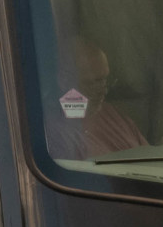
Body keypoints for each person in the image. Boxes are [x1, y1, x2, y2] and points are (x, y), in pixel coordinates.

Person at [45, 33, 148, 161]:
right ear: (64, 80)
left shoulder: (114, 116)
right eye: (92, 82)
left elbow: (146, 155)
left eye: (105, 80)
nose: (103, 91)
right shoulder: (52, 133)